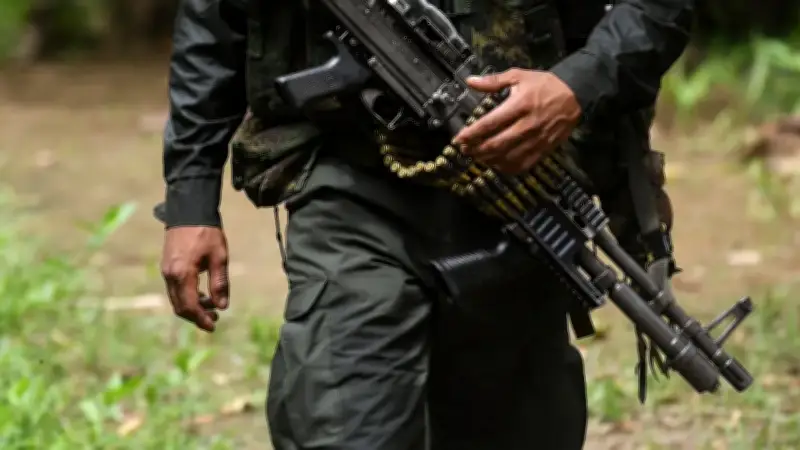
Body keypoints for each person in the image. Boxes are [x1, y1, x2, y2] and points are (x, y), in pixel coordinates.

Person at [159, 0, 693, 448]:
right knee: (340, 424)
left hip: (522, 193)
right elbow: (214, 21)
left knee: (515, 428)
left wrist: (575, 86)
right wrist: (190, 201)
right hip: (352, 187)